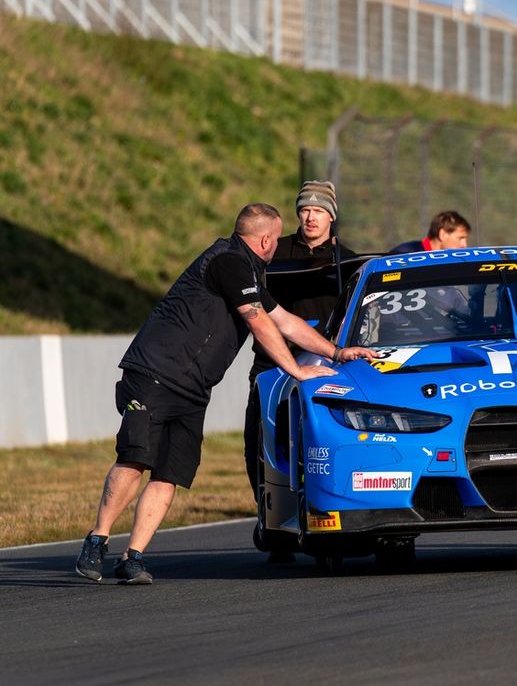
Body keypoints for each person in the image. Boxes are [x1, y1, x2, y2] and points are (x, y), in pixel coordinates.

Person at [75, 204, 376, 585]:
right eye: (276, 239)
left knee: (170, 473)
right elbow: (259, 321)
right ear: (266, 239)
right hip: (155, 375)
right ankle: (96, 541)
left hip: (193, 388)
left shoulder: (250, 271)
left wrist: (335, 352)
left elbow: (284, 320)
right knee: (136, 458)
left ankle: (133, 557)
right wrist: (297, 369)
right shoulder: (228, 261)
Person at [244, 180, 356, 502]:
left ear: (331, 216)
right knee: (260, 440)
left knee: (321, 437)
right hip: (272, 359)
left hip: (326, 362)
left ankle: (327, 502)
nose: (311, 217)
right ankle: (269, 511)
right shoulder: (272, 253)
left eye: (319, 210)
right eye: (305, 209)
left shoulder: (347, 261)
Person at [390, 210, 471, 253]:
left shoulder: (453, 265)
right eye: (461, 238)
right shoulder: (404, 255)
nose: (464, 245)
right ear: (443, 234)